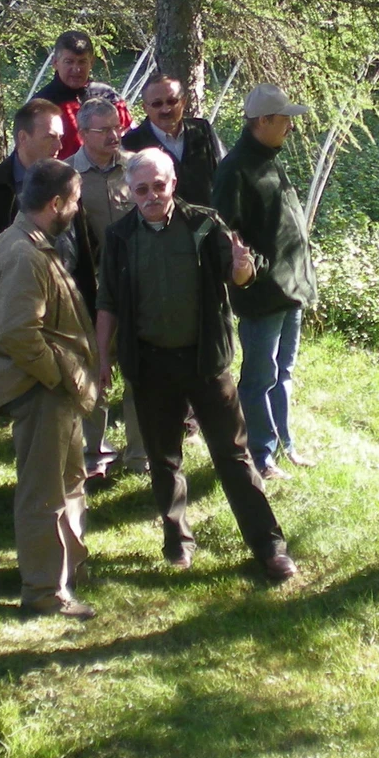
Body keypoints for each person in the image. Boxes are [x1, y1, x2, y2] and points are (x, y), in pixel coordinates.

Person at [97, 148, 297, 582]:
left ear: (174, 183)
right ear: (129, 192)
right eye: (142, 189)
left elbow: (238, 273)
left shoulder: (204, 223)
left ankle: (269, 546)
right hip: (149, 365)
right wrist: (101, 356)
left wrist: (243, 268)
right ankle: (177, 541)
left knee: (234, 455)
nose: (152, 195)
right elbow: (108, 301)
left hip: (206, 363)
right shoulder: (119, 237)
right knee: (164, 458)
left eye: (159, 186)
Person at [0, 159, 100, 619]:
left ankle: (67, 570)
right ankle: (44, 591)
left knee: (68, 482)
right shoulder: (25, 254)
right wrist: (57, 376)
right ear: (55, 204)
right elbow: (18, 333)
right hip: (40, 391)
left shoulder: (33, 241)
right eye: (75, 202)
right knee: (43, 494)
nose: (77, 210)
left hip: (53, 390)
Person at [212, 84, 318, 478]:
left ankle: (283, 443)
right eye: (285, 118)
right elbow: (229, 235)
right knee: (259, 376)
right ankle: (259, 454)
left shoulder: (270, 159)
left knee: (283, 372)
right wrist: (252, 272)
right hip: (263, 293)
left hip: (289, 290)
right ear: (263, 122)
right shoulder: (236, 169)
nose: (291, 126)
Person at [69, 97, 146, 476]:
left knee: (138, 368)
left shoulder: (135, 170)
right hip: (92, 293)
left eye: (117, 126)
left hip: (137, 289)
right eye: (104, 129)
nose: (115, 134)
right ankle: (95, 452)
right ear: (82, 134)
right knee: (95, 370)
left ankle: (139, 454)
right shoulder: (68, 177)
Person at [0, 99, 73, 304]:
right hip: (13, 309)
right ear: (22, 138)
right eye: (50, 137)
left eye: (60, 137)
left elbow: (81, 251)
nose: (59, 146)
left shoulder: (67, 184)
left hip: (64, 308)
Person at [121, 75, 225, 207]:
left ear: (183, 102)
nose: (166, 110)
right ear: (145, 108)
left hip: (210, 221)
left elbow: (224, 176)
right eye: (157, 104)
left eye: (172, 101)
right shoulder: (131, 143)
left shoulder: (202, 130)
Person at [35, 30, 132, 160]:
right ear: (55, 63)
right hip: (62, 177)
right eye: (69, 62)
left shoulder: (109, 97)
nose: (76, 69)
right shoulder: (42, 105)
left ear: (91, 62)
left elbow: (129, 141)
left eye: (82, 62)